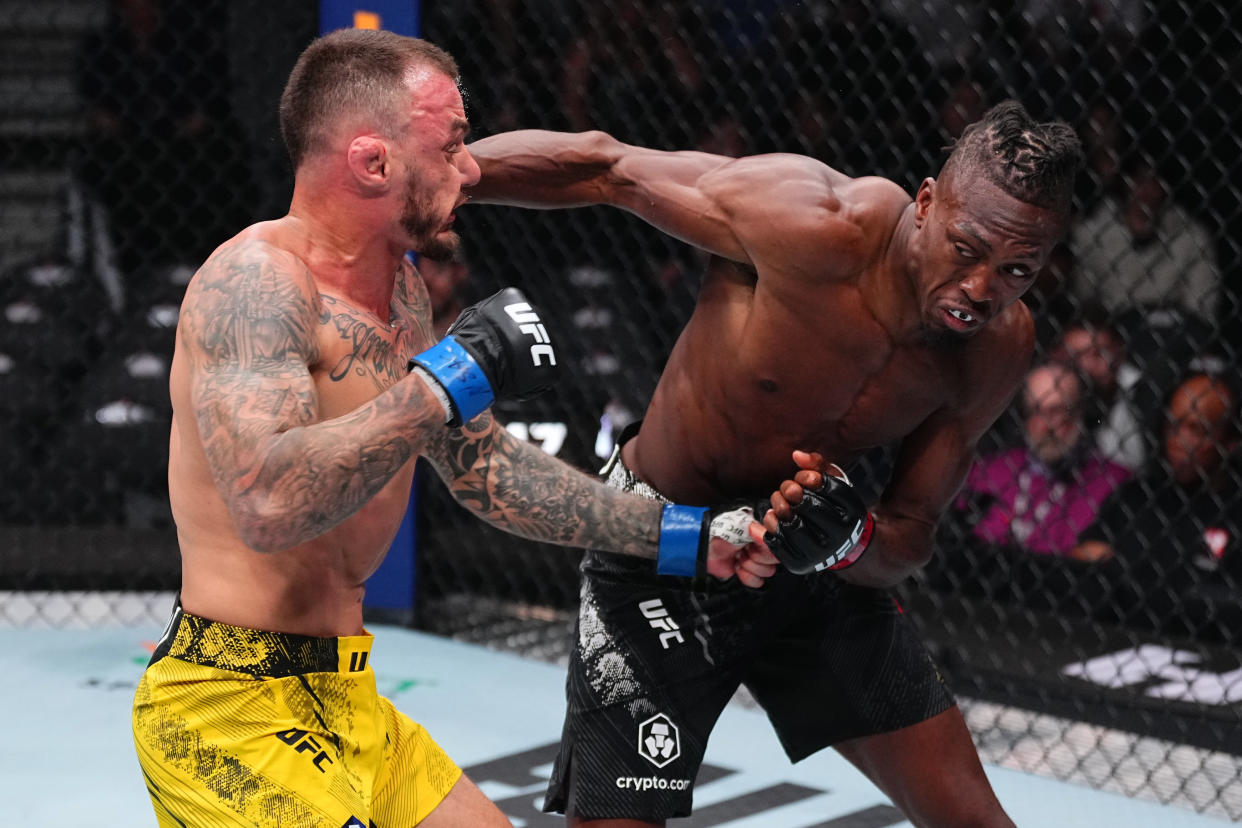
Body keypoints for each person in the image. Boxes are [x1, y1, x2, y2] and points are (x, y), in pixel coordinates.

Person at [130, 29, 780, 828]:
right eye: (454, 145)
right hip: (225, 709)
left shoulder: (401, 293)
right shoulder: (255, 281)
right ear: (373, 163)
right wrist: (446, 382)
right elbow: (266, 502)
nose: (472, 171)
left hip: (346, 691)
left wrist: (682, 536)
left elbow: (483, 467)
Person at [468, 100, 1084, 826]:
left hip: (806, 568)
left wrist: (850, 539)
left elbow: (911, 532)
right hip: (661, 548)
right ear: (924, 203)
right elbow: (608, 168)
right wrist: (442, 181)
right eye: (967, 248)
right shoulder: (810, 223)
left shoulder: (996, 348)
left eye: (1018, 268)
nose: (983, 288)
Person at [1074, 373, 1242, 639]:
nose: (1179, 439)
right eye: (1173, 425)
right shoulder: (1136, 496)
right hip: (1119, 637)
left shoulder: (1234, 513)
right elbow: (1085, 557)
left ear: (1230, 442)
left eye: (1197, 429)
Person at [955, 360, 1130, 557]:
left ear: (1081, 411)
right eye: (1034, 410)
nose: (1044, 424)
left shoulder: (1113, 482)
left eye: (1055, 411)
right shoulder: (987, 472)